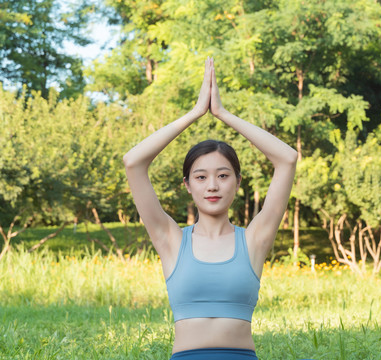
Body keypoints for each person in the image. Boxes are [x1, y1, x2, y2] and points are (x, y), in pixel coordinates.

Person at [123, 57, 297, 360]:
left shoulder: (254, 240)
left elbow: (287, 158)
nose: (212, 186)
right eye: (201, 177)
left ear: (237, 182)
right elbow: (133, 162)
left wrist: (223, 113)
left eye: (223, 175)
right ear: (188, 185)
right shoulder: (171, 239)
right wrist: (194, 113)